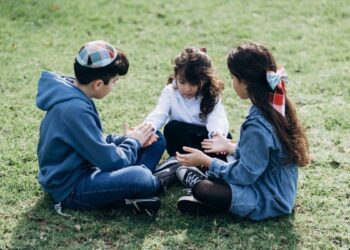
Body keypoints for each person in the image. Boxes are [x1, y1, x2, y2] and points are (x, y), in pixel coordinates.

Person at [175, 42, 310, 221]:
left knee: (203, 189)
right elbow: (263, 155)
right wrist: (231, 147)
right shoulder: (273, 104)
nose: (232, 82)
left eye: (232, 77)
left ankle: (204, 190)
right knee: (214, 181)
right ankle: (210, 192)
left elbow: (244, 174)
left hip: (268, 198)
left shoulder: (257, 124)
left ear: (244, 82)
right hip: (277, 190)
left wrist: (206, 161)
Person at [36, 40, 169, 216]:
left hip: (89, 167)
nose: (114, 86)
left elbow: (92, 141)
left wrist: (124, 139)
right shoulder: (74, 109)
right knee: (140, 177)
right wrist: (133, 142)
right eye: (114, 82)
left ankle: (131, 191)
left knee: (155, 138)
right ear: (98, 84)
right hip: (71, 188)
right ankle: (159, 180)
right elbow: (111, 161)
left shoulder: (74, 91)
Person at [143, 46, 231, 162]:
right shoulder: (170, 91)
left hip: (205, 138)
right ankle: (190, 163)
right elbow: (160, 113)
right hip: (183, 139)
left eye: (193, 84)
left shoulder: (210, 94)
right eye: (182, 82)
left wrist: (216, 135)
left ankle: (205, 163)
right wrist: (146, 129)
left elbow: (217, 118)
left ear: (205, 79)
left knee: (224, 140)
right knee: (171, 128)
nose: (187, 88)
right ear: (175, 76)